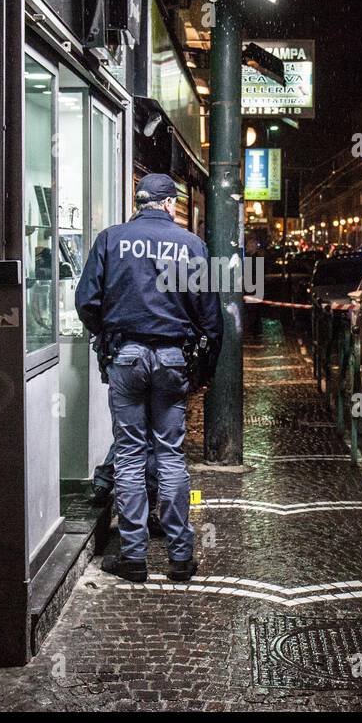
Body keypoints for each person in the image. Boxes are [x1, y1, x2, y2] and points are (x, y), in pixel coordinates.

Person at [75, 173, 222, 583]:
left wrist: (107, 331)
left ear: (139, 203)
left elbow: (86, 301)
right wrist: (204, 372)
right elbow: (211, 317)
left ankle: (133, 557)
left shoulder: (111, 239)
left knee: (129, 455)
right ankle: (179, 558)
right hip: (173, 359)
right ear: (170, 205)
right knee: (171, 455)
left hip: (126, 356)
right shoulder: (191, 245)